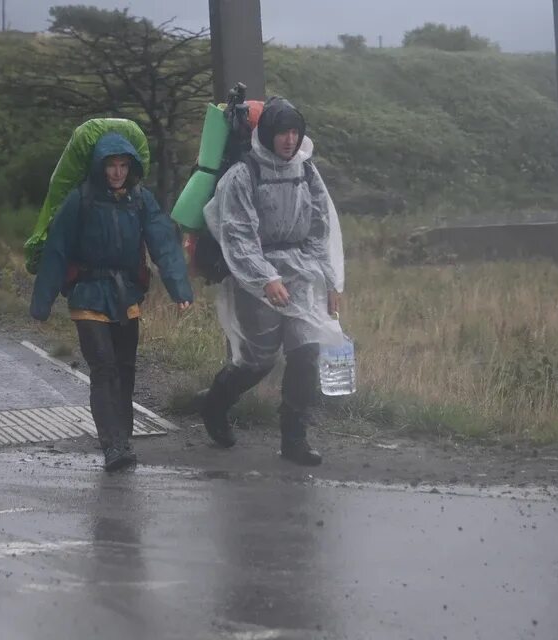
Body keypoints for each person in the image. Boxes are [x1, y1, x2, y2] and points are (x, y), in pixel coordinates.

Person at [31, 132, 194, 472]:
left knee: (124, 368)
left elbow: (163, 242)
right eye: (111, 166)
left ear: (131, 168)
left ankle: (123, 436)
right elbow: (57, 250)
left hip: (126, 296)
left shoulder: (140, 199)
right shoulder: (81, 200)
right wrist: (42, 303)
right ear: (100, 167)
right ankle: (113, 445)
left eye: (123, 166)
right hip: (88, 292)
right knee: (103, 367)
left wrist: (180, 289)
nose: (117, 173)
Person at [200, 97, 343, 466]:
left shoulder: (306, 171)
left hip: (301, 272)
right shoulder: (243, 175)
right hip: (256, 277)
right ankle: (214, 404)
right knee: (258, 360)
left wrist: (330, 281)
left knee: (305, 352)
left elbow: (320, 227)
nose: (290, 140)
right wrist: (265, 279)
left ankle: (294, 440)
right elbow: (238, 234)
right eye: (282, 132)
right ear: (267, 134)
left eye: (296, 132)